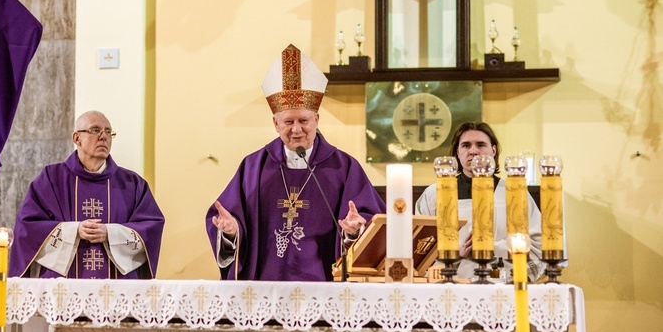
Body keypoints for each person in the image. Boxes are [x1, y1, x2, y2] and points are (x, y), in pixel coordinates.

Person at [206, 44, 385, 281]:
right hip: (264, 286)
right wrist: (232, 232)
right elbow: (229, 219)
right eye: (288, 122)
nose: (297, 129)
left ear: (317, 119)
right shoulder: (253, 167)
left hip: (324, 285)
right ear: (275, 124)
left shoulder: (344, 168)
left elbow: (371, 223)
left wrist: (355, 232)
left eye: (304, 120)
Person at [10, 110, 165, 279]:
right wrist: (74, 231)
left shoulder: (132, 184)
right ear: (77, 138)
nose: (103, 136)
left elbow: (151, 228)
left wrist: (110, 233)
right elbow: (27, 227)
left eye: (108, 132)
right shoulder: (51, 179)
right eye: (95, 130)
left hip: (117, 290)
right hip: (63, 288)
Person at [414, 121, 543, 281]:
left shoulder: (513, 192)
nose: (473, 151)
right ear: (457, 152)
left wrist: (492, 247)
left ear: (493, 150)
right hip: (451, 285)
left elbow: (538, 243)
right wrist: (454, 255)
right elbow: (420, 248)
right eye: (466, 145)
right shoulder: (434, 194)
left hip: (502, 284)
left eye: (481, 145)